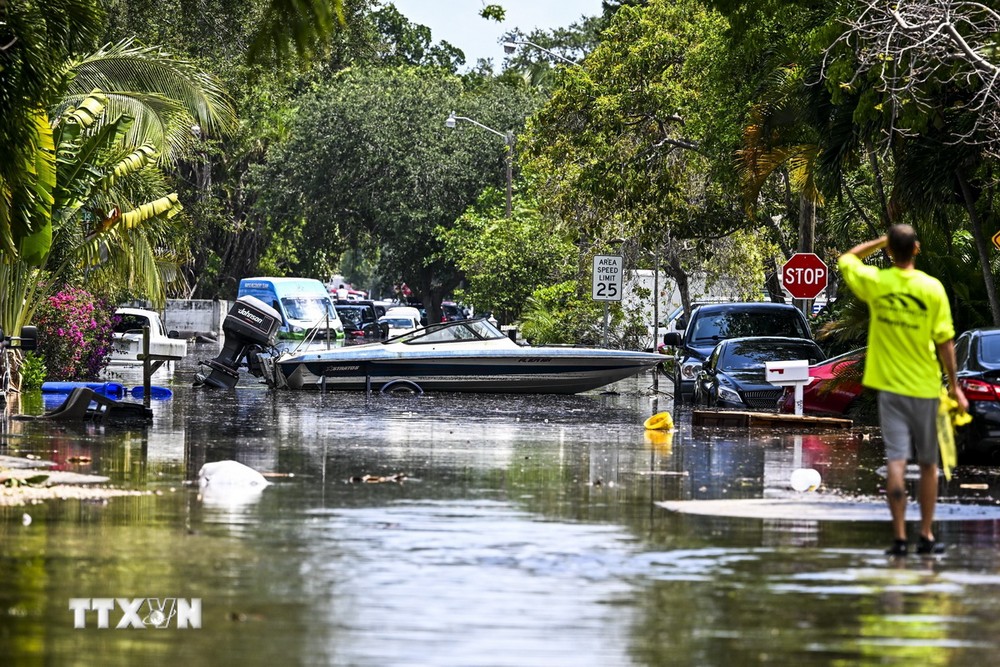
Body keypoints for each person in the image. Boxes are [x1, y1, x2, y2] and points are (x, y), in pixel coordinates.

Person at [838, 224, 968, 556]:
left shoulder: (878, 284)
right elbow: (945, 342)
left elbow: (848, 258)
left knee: (896, 461)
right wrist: (955, 387)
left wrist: (881, 241)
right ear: (916, 250)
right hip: (925, 388)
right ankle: (925, 535)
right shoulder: (932, 288)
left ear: (890, 252)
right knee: (928, 465)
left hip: (890, 389)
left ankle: (898, 538)